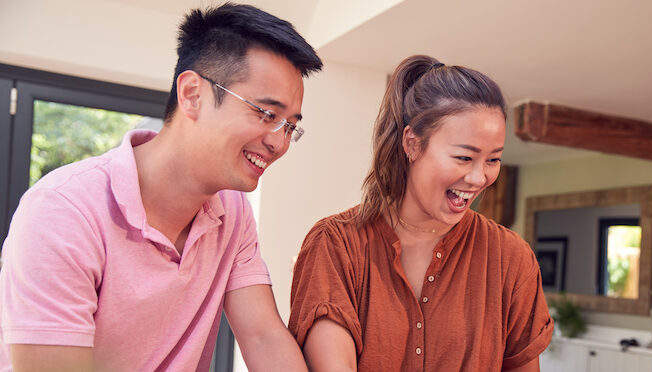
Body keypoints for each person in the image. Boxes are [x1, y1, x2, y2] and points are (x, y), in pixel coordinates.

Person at [0, 3, 321, 371]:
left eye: (290, 126)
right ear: (192, 94)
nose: (279, 144)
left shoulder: (232, 212)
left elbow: (264, 337)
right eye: (266, 114)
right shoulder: (62, 211)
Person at [289, 55, 553, 371]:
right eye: (464, 157)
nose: (479, 178)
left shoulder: (510, 257)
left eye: (493, 160)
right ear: (412, 143)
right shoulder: (335, 245)